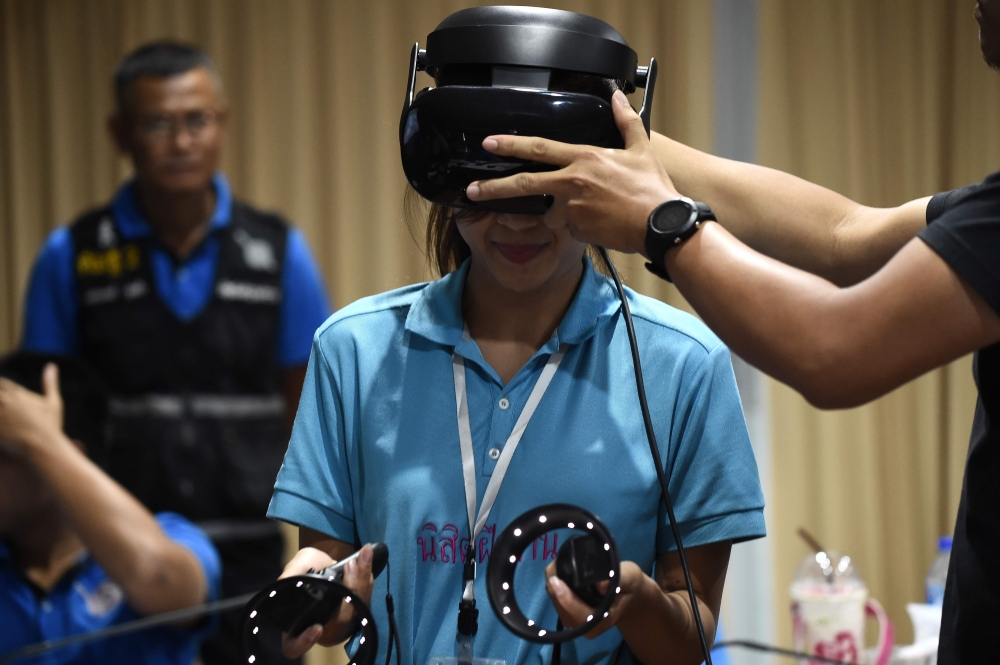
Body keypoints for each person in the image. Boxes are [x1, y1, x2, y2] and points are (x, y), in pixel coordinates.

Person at [464, 2, 1000, 662]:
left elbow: (832, 349)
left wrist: (664, 224)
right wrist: (594, 137)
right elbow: (844, 237)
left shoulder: (684, 361)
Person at [266, 19, 766, 665]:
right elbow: (332, 577)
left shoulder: (683, 366)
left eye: (541, 190)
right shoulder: (354, 351)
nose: (511, 220)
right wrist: (312, 593)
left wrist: (635, 600)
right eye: (484, 188)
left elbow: (691, 632)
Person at [19, 41, 332, 664]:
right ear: (120, 133)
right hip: (121, 559)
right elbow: (48, 423)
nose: (181, 141)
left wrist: (316, 558)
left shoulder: (277, 253)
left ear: (222, 122)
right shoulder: (72, 256)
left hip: (250, 560)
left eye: (197, 120)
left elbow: (314, 418)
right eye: (158, 124)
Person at [0, 351, 221, 664]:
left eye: (4, 449)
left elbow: (161, 581)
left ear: (65, 455)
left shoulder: (173, 535)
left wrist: (39, 438)